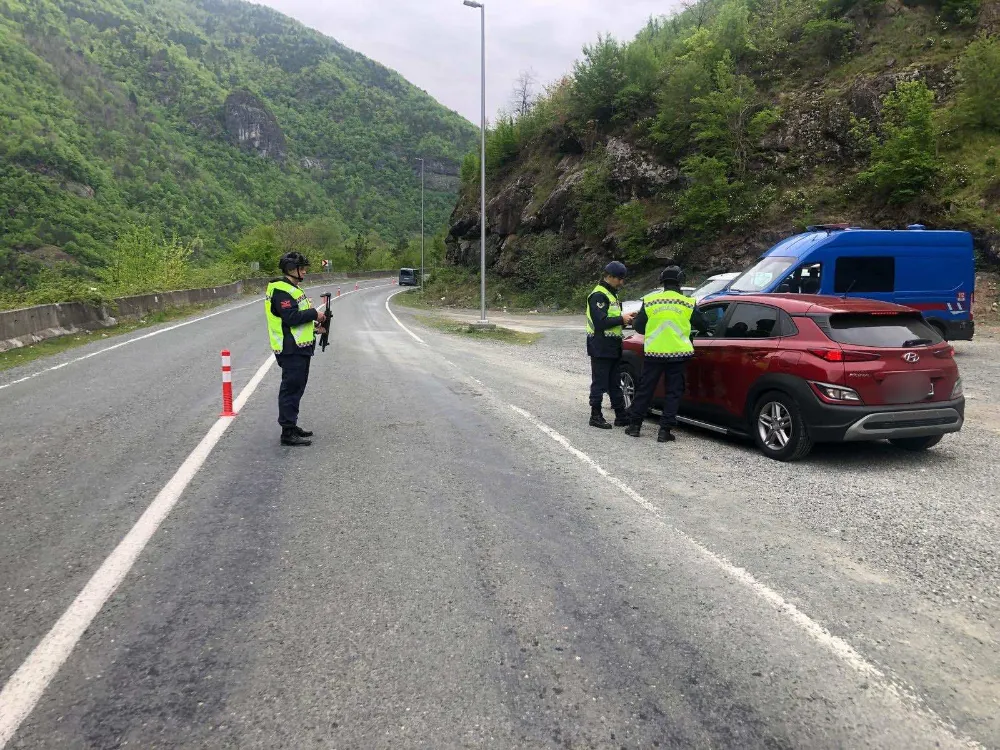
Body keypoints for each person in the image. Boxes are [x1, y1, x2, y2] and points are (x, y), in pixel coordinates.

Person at [625, 265, 700, 443]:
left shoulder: (651, 301)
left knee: (645, 390)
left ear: (662, 282)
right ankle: (664, 431)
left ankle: (635, 426)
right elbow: (704, 325)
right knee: (673, 392)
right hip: (678, 355)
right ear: (681, 282)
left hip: (654, 354)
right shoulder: (688, 303)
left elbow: (639, 327)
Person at [265, 252, 327, 447]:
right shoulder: (281, 290)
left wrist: (315, 328)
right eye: (302, 268)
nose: (305, 271)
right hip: (290, 349)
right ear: (292, 270)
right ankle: (287, 432)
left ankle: (291, 425)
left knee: (297, 388)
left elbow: (297, 322)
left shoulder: (292, 288)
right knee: (290, 389)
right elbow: (291, 317)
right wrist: (314, 313)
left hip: (299, 348)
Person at [586, 261, 637, 429]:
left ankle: (620, 415)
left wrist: (625, 319)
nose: (622, 282)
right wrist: (621, 319)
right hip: (600, 345)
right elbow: (600, 322)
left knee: (615, 382)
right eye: (619, 279)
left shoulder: (612, 294)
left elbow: (613, 320)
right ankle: (595, 415)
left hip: (613, 344)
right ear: (610, 277)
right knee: (600, 382)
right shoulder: (598, 295)